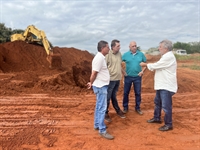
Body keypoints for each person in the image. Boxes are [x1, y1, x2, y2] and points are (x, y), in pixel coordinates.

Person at [140, 39, 177, 131]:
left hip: (166, 86)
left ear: (166, 48)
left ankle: (168, 124)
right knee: (158, 102)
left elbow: (157, 65)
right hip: (162, 85)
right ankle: (157, 118)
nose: (159, 48)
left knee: (166, 106)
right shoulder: (165, 56)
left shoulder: (168, 57)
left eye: (160, 47)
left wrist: (145, 64)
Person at [87, 40, 114, 140]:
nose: (109, 49)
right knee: (102, 108)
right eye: (107, 47)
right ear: (103, 48)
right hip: (101, 86)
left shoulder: (100, 57)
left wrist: (92, 83)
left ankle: (97, 124)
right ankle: (102, 130)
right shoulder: (99, 58)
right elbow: (94, 73)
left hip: (100, 85)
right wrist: (91, 82)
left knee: (99, 106)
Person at [122, 41, 147, 115]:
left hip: (137, 77)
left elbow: (145, 64)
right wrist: (123, 72)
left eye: (135, 46)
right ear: (129, 47)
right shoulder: (125, 55)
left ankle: (138, 108)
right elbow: (118, 62)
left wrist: (142, 71)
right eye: (133, 46)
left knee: (138, 93)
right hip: (128, 77)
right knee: (126, 93)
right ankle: (125, 108)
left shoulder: (141, 54)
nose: (134, 47)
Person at [104, 39, 125, 122]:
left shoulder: (119, 54)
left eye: (119, 45)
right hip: (110, 79)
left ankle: (117, 110)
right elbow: (104, 67)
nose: (120, 47)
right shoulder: (108, 54)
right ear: (113, 47)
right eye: (118, 46)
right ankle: (105, 113)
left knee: (114, 96)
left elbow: (119, 65)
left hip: (117, 79)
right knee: (108, 97)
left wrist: (123, 73)